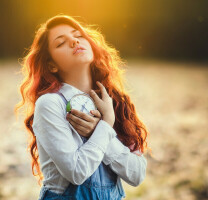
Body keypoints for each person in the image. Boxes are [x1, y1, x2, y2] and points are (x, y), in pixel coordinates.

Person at [14, 14, 153, 200]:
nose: (73, 41)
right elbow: (77, 173)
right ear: (52, 65)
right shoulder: (50, 104)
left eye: (78, 35)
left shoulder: (115, 102)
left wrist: (99, 130)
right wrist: (106, 125)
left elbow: (137, 175)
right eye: (60, 43)